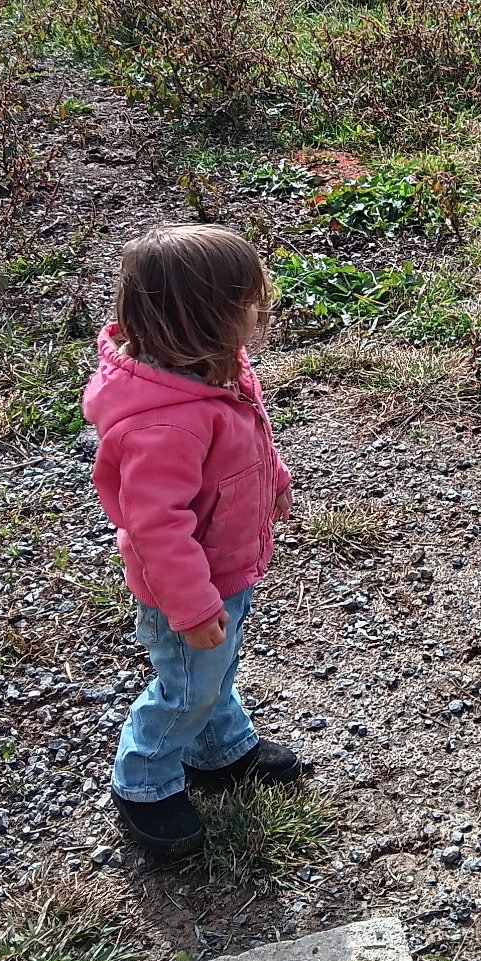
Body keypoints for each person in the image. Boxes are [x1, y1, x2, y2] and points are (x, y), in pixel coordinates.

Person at [84, 223, 308, 862]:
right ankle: (145, 783)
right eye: (250, 302)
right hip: (189, 586)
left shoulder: (220, 372)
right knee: (187, 684)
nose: (263, 308)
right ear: (202, 321)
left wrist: (276, 484)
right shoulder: (166, 424)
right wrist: (191, 608)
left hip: (225, 566)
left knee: (215, 670)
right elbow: (155, 529)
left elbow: (252, 443)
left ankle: (220, 752)